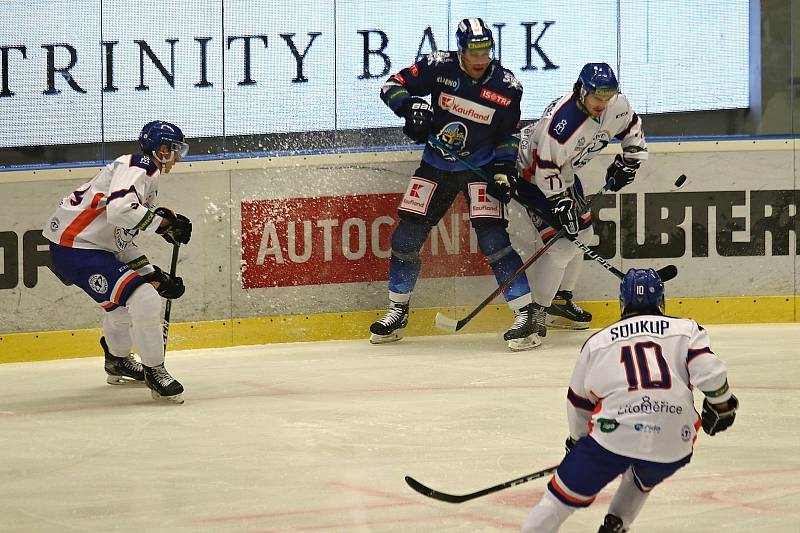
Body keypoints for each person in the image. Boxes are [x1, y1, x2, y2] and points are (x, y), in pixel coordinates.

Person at [520, 268, 739, 532]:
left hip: (613, 437)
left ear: (622, 303)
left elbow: (579, 402)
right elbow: (711, 375)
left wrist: (577, 443)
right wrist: (722, 405)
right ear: (661, 301)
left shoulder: (597, 342)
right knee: (641, 476)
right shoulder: (686, 329)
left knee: (557, 503)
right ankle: (617, 524)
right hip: (674, 441)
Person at [371, 17, 541, 351]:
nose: (480, 59)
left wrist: (504, 171)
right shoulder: (438, 66)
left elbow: (509, 135)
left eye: (486, 51)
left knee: (494, 241)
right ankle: (397, 310)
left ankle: (526, 312)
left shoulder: (508, 86)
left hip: (481, 169)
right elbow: (391, 86)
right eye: (473, 51)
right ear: (460, 49)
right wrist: (411, 109)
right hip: (435, 165)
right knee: (405, 238)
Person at [43, 121, 192, 404]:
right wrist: (161, 225)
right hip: (76, 248)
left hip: (84, 248)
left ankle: (118, 360)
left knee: (124, 306)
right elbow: (121, 210)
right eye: (177, 150)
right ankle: (155, 371)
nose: (178, 157)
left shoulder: (143, 177)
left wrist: (154, 274)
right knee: (144, 298)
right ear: (163, 149)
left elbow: (121, 242)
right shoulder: (141, 165)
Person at [514, 62, 648, 336]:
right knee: (564, 245)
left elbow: (631, 126)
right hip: (531, 175)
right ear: (581, 90)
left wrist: (629, 161)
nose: (603, 103)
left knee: (583, 235)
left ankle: (560, 300)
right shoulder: (563, 123)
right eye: (597, 97)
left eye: (607, 97)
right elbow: (545, 168)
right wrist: (559, 201)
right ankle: (538, 312)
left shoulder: (616, 104)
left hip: (564, 172)